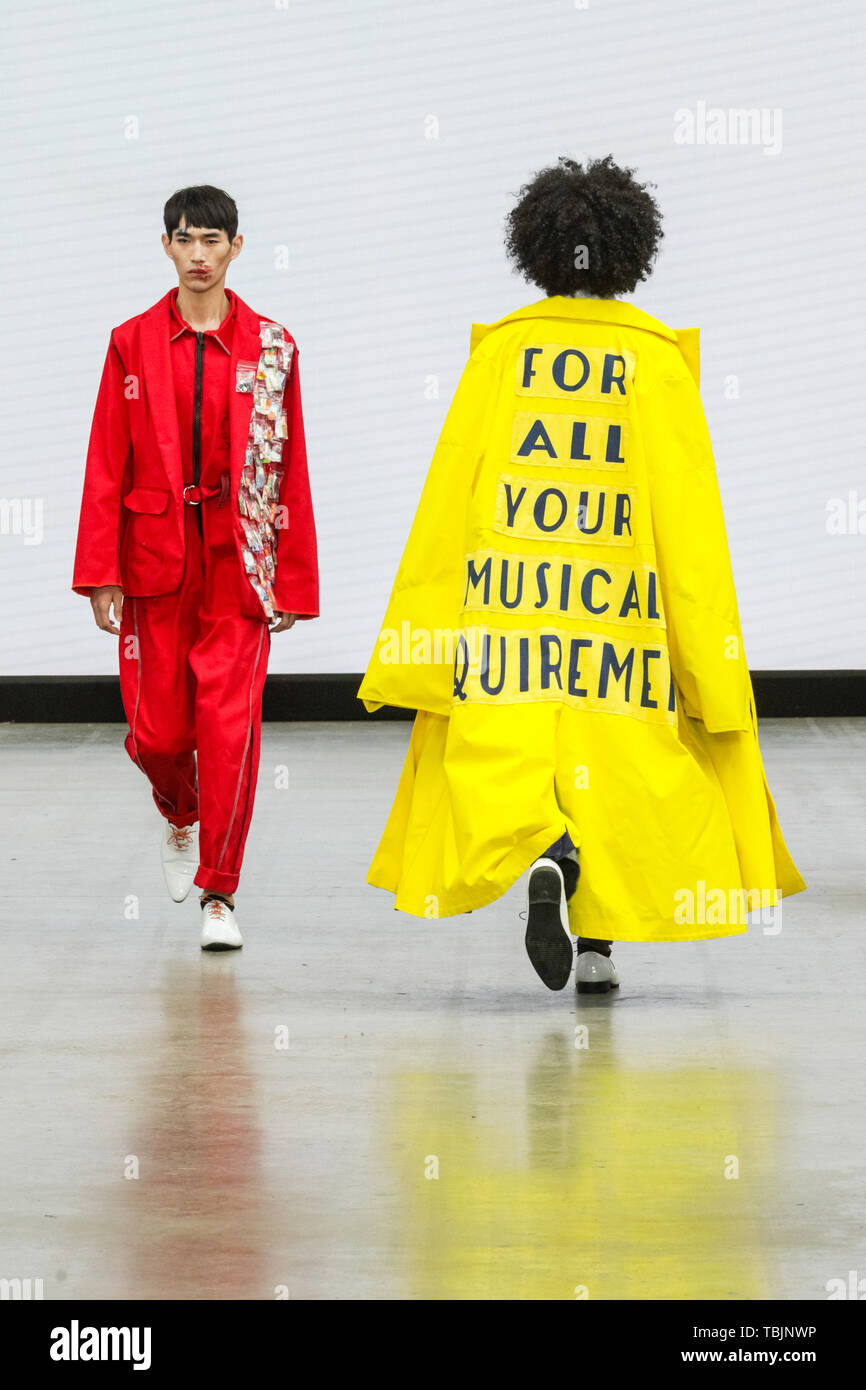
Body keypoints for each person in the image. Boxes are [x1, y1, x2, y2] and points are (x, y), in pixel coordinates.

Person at [356, 155, 805, 992]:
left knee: (523, 757)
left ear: (536, 251)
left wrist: (431, 624)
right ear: (634, 250)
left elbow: (454, 492)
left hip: (514, 612)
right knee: (625, 773)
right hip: (621, 618)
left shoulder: (504, 355)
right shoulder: (656, 361)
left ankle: (552, 855)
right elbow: (687, 515)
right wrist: (707, 649)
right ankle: (598, 946)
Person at [72, 185, 319, 950]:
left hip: (239, 562)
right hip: (155, 560)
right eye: (187, 240)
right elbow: (106, 460)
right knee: (155, 734)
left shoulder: (273, 347)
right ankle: (180, 814)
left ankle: (221, 894)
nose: (200, 255)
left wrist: (294, 580)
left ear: (237, 247)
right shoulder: (131, 342)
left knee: (229, 728)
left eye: (214, 240)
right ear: (168, 247)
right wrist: (100, 571)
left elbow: (293, 469)